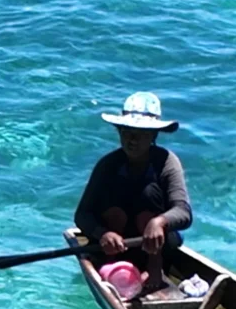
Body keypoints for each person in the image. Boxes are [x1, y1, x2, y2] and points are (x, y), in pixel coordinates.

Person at [73, 91, 192, 292]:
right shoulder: (108, 164)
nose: (132, 140)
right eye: (127, 133)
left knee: (150, 194)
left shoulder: (166, 162)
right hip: (114, 241)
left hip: (152, 244)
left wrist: (159, 222)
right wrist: (103, 234)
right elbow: (82, 215)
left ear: (154, 135)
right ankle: (111, 264)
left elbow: (183, 211)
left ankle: (154, 266)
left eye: (141, 134)